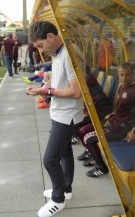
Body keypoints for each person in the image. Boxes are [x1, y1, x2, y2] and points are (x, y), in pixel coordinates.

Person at [27, 21, 85, 217]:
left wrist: (48, 90)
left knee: (50, 160)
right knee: (64, 153)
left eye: (41, 45)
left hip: (67, 115)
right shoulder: (60, 52)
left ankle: (58, 199)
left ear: (51, 37)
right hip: (62, 112)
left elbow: (76, 91)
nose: (41, 51)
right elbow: (62, 78)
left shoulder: (68, 54)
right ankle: (66, 190)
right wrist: (43, 87)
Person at [78, 62, 135, 177]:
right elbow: (123, 107)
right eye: (121, 75)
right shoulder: (121, 87)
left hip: (122, 128)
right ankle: (93, 154)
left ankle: (101, 168)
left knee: (89, 139)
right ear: (118, 74)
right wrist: (113, 113)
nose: (124, 78)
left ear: (132, 75)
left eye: (127, 75)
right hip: (113, 122)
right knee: (82, 131)